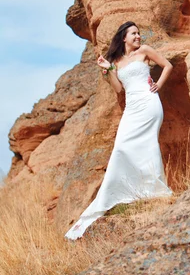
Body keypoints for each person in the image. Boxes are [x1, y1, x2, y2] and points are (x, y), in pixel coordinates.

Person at [65, 21, 173, 240]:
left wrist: (159, 85)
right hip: (132, 108)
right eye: (134, 33)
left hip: (149, 103)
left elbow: (168, 65)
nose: (138, 37)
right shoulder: (116, 61)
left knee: (149, 143)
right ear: (123, 37)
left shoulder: (145, 51)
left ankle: (153, 188)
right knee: (122, 147)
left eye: (139, 33)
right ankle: (127, 191)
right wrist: (107, 70)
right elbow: (118, 89)